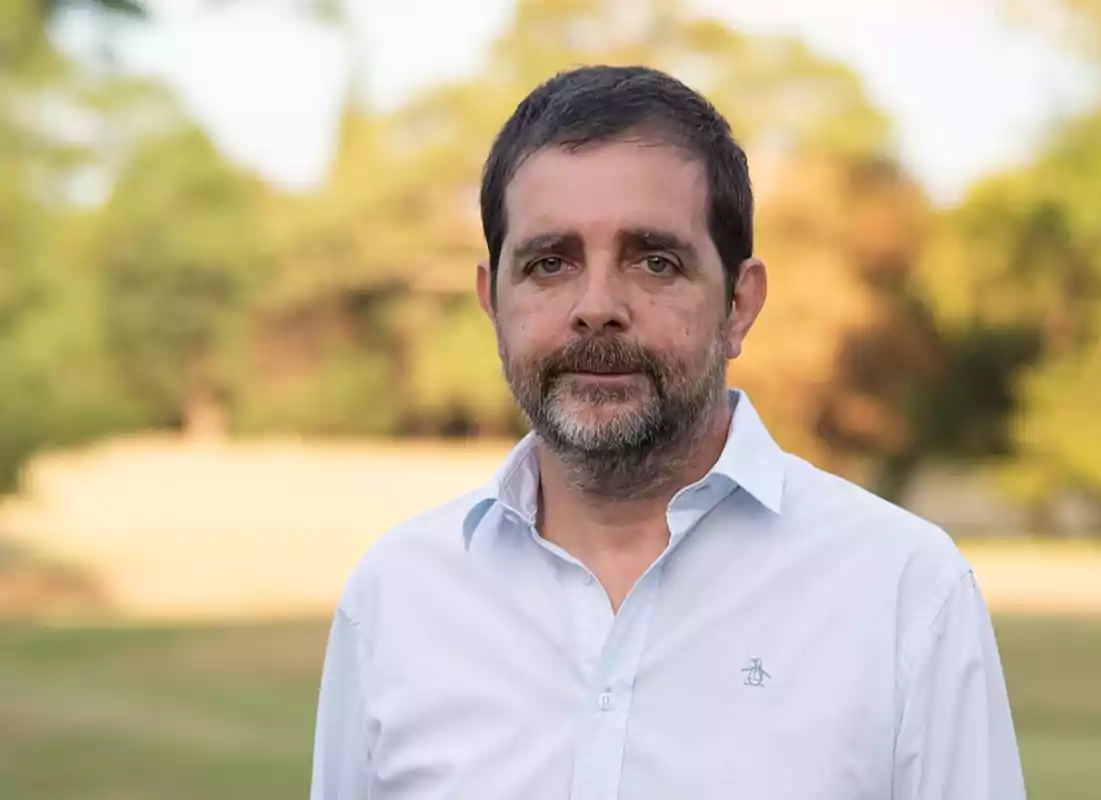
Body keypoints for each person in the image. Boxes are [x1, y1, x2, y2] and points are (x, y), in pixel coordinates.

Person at [309, 64, 1026, 799]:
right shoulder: (397, 598)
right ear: (493, 301)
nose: (596, 307)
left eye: (654, 261)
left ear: (739, 305)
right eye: (549, 263)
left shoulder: (902, 592)